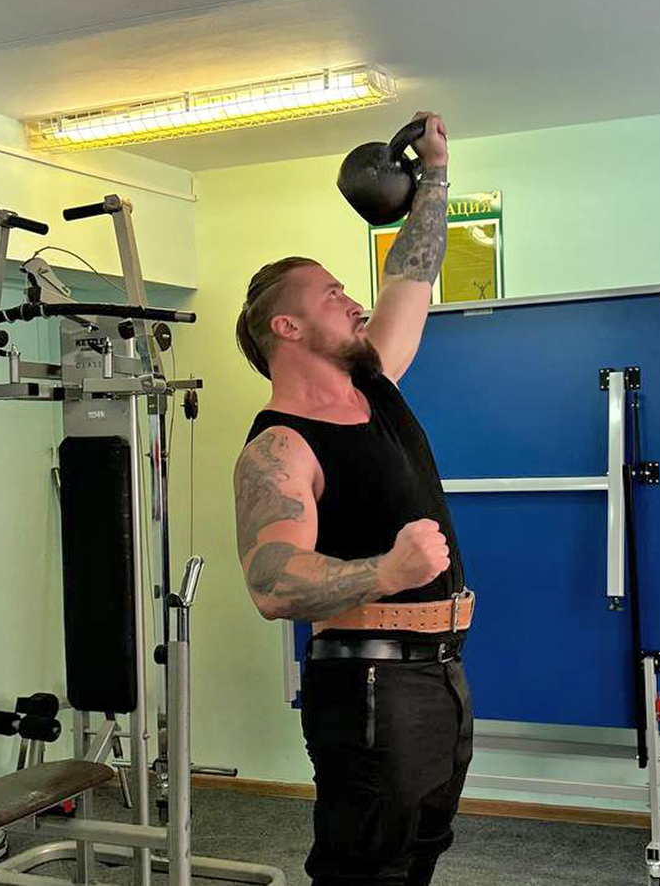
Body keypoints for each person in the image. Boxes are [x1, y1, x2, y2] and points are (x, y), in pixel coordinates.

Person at [232, 112, 474, 886]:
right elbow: (271, 582)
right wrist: (386, 571)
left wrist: (434, 176)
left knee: (420, 858)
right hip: (370, 685)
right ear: (287, 325)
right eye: (332, 293)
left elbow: (412, 276)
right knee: (365, 871)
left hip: (441, 674)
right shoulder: (279, 446)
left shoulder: (376, 385)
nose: (353, 300)